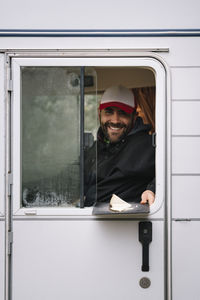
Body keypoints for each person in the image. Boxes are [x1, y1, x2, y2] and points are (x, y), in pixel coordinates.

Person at [84, 85, 155, 207]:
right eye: (109, 112)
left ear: (134, 117)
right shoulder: (94, 148)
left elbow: (170, 170)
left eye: (123, 113)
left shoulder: (148, 146)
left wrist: (152, 190)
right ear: (99, 113)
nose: (115, 120)